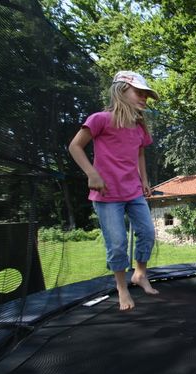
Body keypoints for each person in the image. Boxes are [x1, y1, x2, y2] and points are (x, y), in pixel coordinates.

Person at [69, 70, 160, 311]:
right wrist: (92, 173)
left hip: (133, 191)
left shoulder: (139, 127)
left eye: (146, 96)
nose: (144, 98)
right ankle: (121, 287)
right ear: (121, 91)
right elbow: (75, 146)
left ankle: (140, 273)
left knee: (148, 233)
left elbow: (140, 152)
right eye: (139, 93)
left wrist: (144, 179)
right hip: (107, 194)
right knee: (118, 243)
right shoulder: (100, 119)